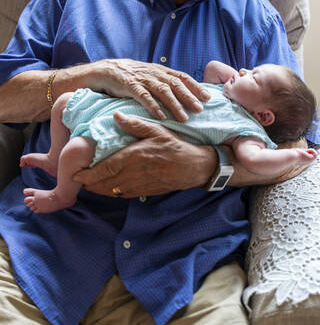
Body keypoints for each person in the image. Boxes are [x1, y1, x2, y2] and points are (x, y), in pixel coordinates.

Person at [0, 0, 319, 325]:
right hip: (47, 242)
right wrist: (91, 74)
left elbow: (302, 144)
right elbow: (6, 97)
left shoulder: (251, 17)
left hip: (187, 262)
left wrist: (208, 166)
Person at [21, 61, 317, 214]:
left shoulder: (246, 132)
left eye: (254, 75)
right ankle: (52, 157)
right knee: (62, 103)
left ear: (264, 117)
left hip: (125, 130)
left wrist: (291, 156)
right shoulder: (223, 91)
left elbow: (255, 161)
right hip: (117, 105)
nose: (243, 70)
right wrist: (240, 81)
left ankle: (62, 195)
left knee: (76, 152)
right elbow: (213, 67)